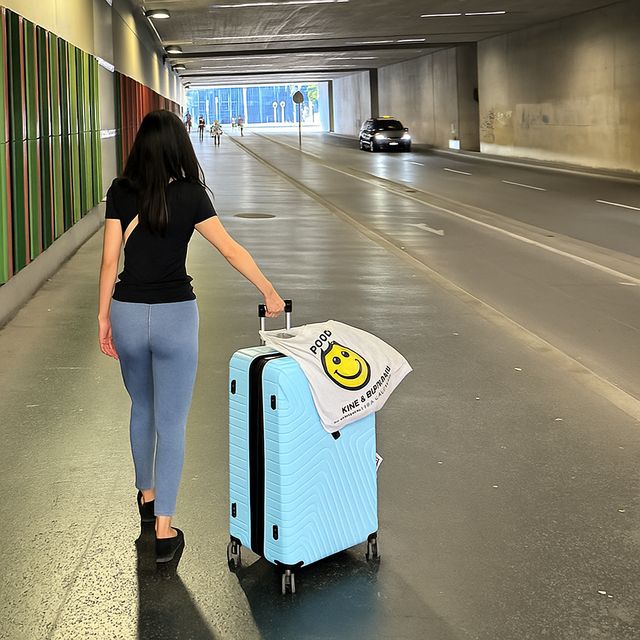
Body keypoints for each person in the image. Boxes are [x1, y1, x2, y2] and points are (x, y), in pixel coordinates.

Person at [97, 110, 285, 564]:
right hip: (176, 318)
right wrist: (268, 290)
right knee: (172, 422)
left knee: (141, 408)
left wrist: (103, 317)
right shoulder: (190, 195)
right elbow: (229, 249)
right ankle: (164, 531)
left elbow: (109, 261)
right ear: (179, 147)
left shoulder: (121, 191)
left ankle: (146, 497)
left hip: (127, 312)